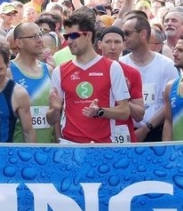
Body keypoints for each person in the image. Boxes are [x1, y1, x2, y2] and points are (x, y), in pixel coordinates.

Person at [47, 9, 131, 144]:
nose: (69, 41)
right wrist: (56, 109)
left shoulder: (112, 67)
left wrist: (100, 112)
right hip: (70, 147)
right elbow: (51, 120)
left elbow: (125, 111)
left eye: (74, 35)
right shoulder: (60, 71)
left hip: (102, 147)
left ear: (88, 35)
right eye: (67, 36)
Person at [120, 14, 177, 142]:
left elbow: (169, 103)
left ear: (143, 34)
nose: (124, 38)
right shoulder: (120, 64)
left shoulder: (166, 65)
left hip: (155, 131)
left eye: (127, 33)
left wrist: (146, 128)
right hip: (126, 131)